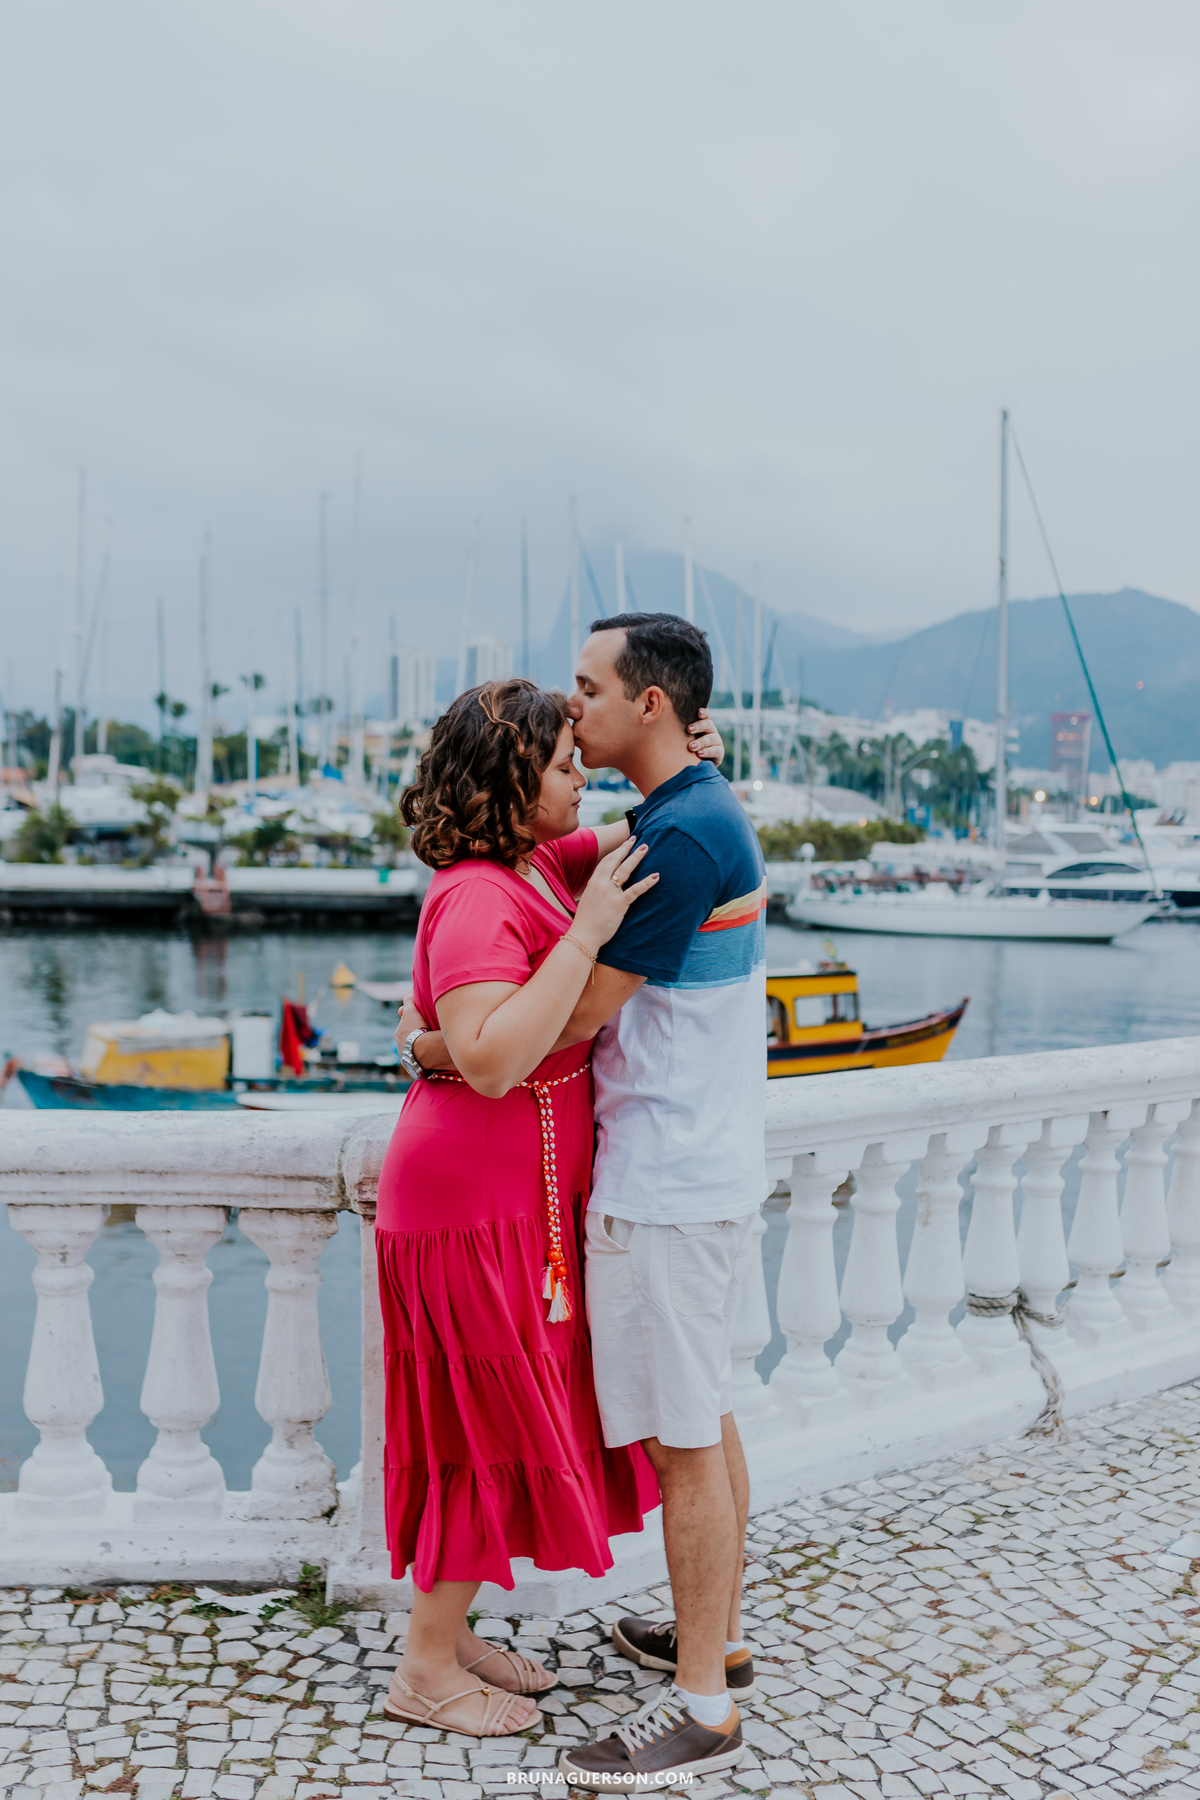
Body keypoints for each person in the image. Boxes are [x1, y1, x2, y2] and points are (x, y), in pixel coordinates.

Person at [378, 677, 725, 1741]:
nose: (582, 777)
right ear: (512, 781)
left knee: (485, 1425)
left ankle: (455, 1628)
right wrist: (584, 940)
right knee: (483, 1431)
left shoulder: (534, 861)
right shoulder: (479, 894)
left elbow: (652, 836)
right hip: (471, 1202)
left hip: (509, 1197)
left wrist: (692, 759)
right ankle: (426, 1669)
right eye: (565, 764)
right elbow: (484, 1059)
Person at [552, 613, 769, 1791]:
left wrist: (451, 1036)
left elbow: (583, 1016)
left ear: (648, 705)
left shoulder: (683, 836)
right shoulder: (690, 811)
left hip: (671, 1181)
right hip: (705, 1166)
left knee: (688, 1445)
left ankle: (700, 1708)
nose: (568, 707)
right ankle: (716, 1645)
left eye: (586, 689)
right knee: (712, 1416)